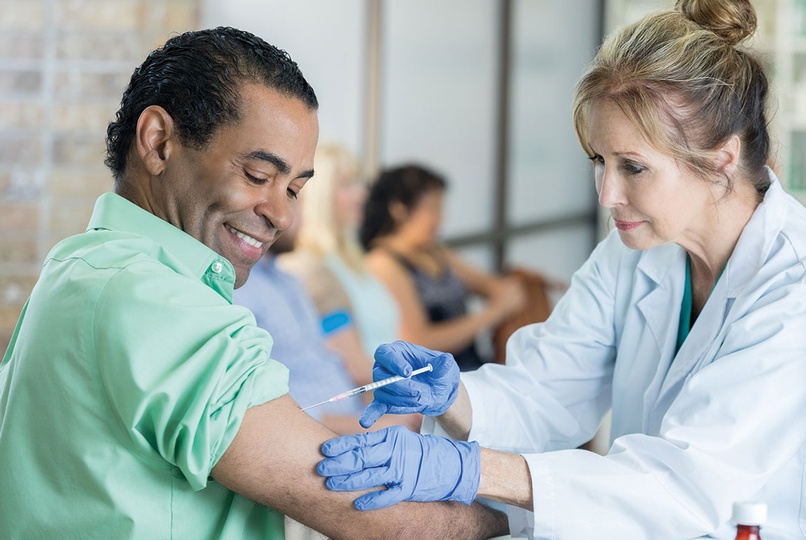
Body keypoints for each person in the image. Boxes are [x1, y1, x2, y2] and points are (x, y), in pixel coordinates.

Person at [317, 2, 806, 539]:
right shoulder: (639, 249)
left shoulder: (805, 290)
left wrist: (469, 469)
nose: (608, 195)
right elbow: (548, 389)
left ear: (722, 159)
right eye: (598, 161)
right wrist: (457, 399)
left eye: (633, 166)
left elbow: (683, 485)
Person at [0, 27, 505, 539]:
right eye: (258, 175)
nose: (282, 214)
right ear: (158, 142)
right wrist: (538, 514)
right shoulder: (159, 305)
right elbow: (376, 516)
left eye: (293, 188)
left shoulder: (78, 262)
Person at [233, 199, 421, 436]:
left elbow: (332, 360)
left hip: (357, 414)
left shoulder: (289, 281)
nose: (291, 217)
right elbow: (259, 410)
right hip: (324, 434)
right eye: (293, 200)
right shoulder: (305, 274)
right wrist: (375, 422)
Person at [360, 164, 526, 372]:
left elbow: (494, 288)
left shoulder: (436, 252)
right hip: (433, 384)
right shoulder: (382, 263)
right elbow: (417, 341)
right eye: (433, 208)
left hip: (471, 369)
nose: (441, 218)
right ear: (399, 209)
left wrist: (520, 284)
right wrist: (491, 314)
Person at [280, 143, 399, 387]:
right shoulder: (310, 269)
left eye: (358, 183)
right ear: (318, 194)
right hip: (373, 400)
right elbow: (355, 367)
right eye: (347, 184)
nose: (362, 194)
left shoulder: (356, 260)